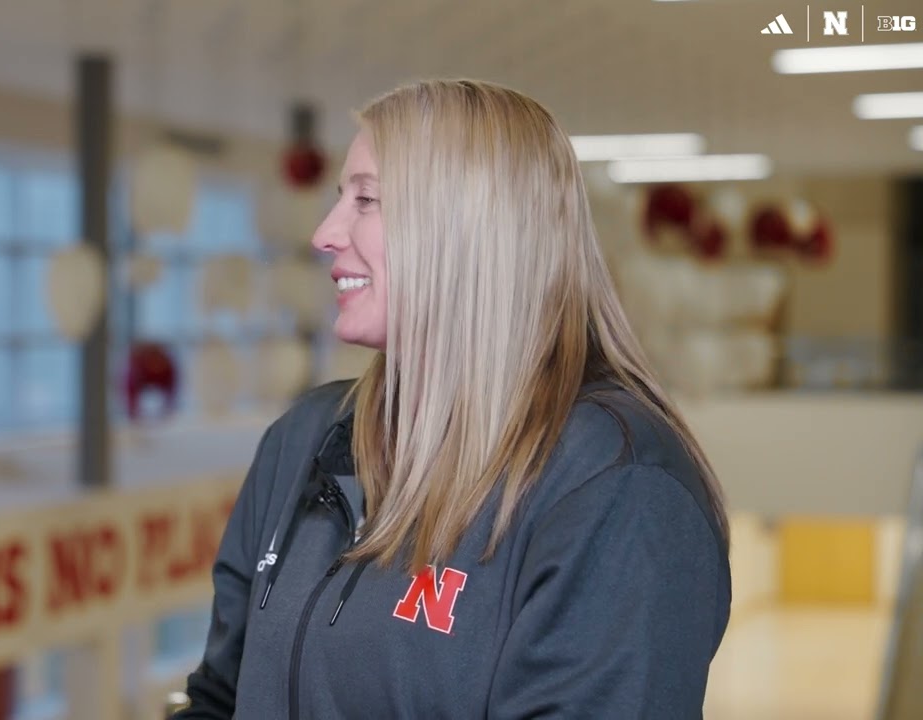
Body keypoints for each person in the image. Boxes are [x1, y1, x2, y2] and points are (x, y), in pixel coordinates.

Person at [174, 79, 731, 719]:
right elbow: (220, 699)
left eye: (366, 200)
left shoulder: (616, 487)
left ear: (467, 227)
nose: (325, 233)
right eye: (338, 199)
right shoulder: (305, 438)